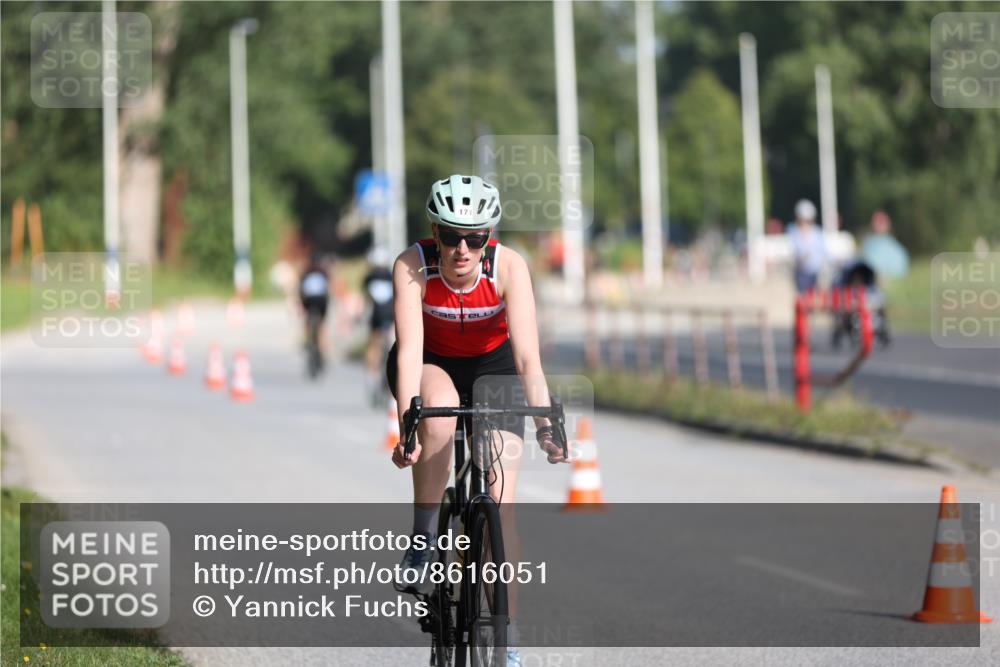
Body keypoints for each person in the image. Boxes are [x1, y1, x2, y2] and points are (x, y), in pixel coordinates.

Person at [389, 174, 567, 667]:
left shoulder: (509, 266)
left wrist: (546, 427)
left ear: (490, 236)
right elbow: (408, 353)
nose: (462, 249)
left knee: (501, 505)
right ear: (434, 232)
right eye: (450, 236)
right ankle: (424, 536)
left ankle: (507, 639)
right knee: (440, 418)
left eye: (475, 237)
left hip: (496, 367)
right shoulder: (412, 265)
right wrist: (409, 425)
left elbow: (529, 357)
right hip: (431, 363)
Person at [363, 246, 395, 404]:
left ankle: (372, 378)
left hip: (376, 317)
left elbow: (367, 300)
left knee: (373, 346)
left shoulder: (369, 278)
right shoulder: (391, 276)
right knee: (394, 347)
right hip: (391, 316)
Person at [299, 254, 330, 374]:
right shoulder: (323, 272)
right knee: (321, 325)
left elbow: (301, 290)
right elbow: (327, 289)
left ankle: (307, 340)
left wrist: (302, 304)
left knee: (308, 321)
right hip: (322, 301)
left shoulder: (306, 272)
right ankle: (322, 349)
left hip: (309, 301)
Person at [787, 199, 826, 293]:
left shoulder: (817, 233)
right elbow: (794, 253)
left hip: (816, 273)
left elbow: (824, 253)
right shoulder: (793, 232)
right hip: (801, 273)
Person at [861, 210, 909, 280]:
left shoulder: (896, 249)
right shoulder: (867, 245)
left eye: (881, 222)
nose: (879, 225)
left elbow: (900, 272)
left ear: (888, 224)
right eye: (877, 222)